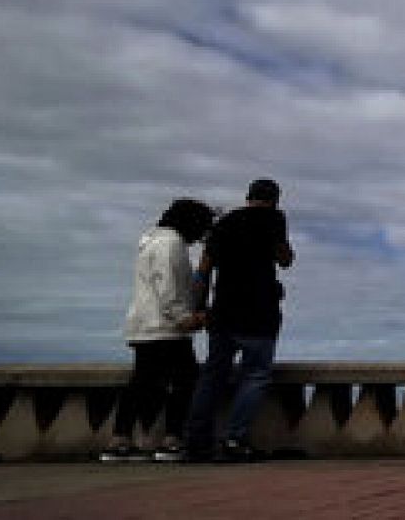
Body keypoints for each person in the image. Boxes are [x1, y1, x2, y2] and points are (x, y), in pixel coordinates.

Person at [185, 178, 294, 462]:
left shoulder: (224, 224)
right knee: (255, 374)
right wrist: (283, 250)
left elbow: (203, 269)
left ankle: (196, 442)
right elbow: (284, 258)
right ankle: (234, 440)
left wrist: (199, 307)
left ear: (248, 196)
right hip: (259, 313)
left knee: (212, 375)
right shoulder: (274, 219)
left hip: (222, 312)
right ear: (275, 199)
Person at [101, 198, 215, 462]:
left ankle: (119, 440)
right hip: (165, 328)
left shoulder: (150, 241)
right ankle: (171, 440)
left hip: (144, 326)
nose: (199, 236)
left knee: (141, 383)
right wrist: (185, 318)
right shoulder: (170, 245)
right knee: (186, 381)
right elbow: (169, 287)